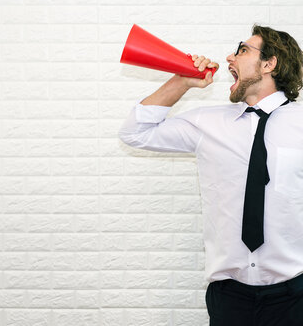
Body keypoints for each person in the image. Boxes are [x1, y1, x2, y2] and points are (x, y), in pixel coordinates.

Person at [118, 25, 303, 326]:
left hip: (294, 298)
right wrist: (182, 82)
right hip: (229, 299)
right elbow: (134, 134)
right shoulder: (208, 122)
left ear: (270, 64)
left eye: (243, 50)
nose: (229, 57)